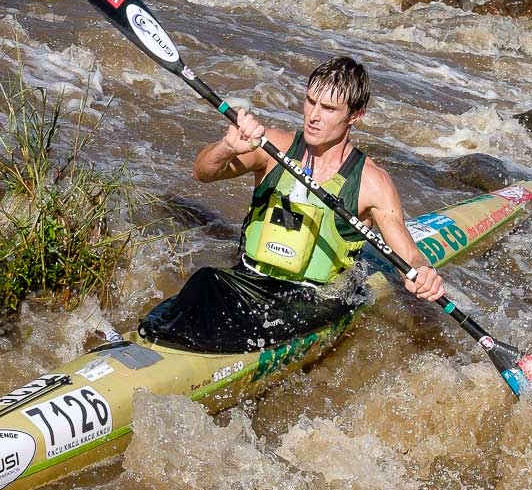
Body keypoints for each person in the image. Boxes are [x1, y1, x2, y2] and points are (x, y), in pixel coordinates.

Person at [138, 57, 444, 353]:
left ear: (355, 115)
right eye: (310, 101)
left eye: (328, 108)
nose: (313, 115)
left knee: (206, 296)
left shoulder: (371, 182)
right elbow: (202, 173)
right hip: (251, 281)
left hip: (311, 300)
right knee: (205, 280)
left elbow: (409, 257)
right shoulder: (273, 147)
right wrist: (227, 147)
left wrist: (423, 273)